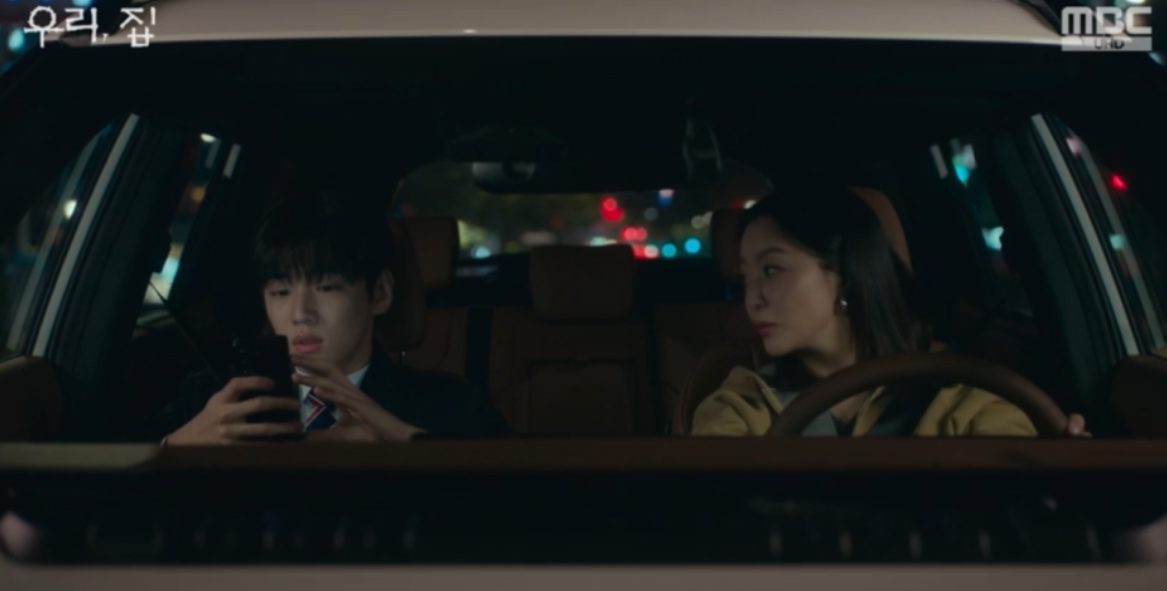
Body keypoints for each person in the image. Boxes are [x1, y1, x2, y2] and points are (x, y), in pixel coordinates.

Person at [691, 179, 1090, 437]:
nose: (752, 299)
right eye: (746, 277)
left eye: (771, 270)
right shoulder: (745, 403)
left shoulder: (960, 401)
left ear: (845, 273)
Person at [152, 188, 510, 444]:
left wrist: (406, 446)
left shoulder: (454, 409)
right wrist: (173, 450)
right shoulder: (211, 399)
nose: (301, 315)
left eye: (326, 288)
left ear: (380, 294)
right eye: (280, 292)